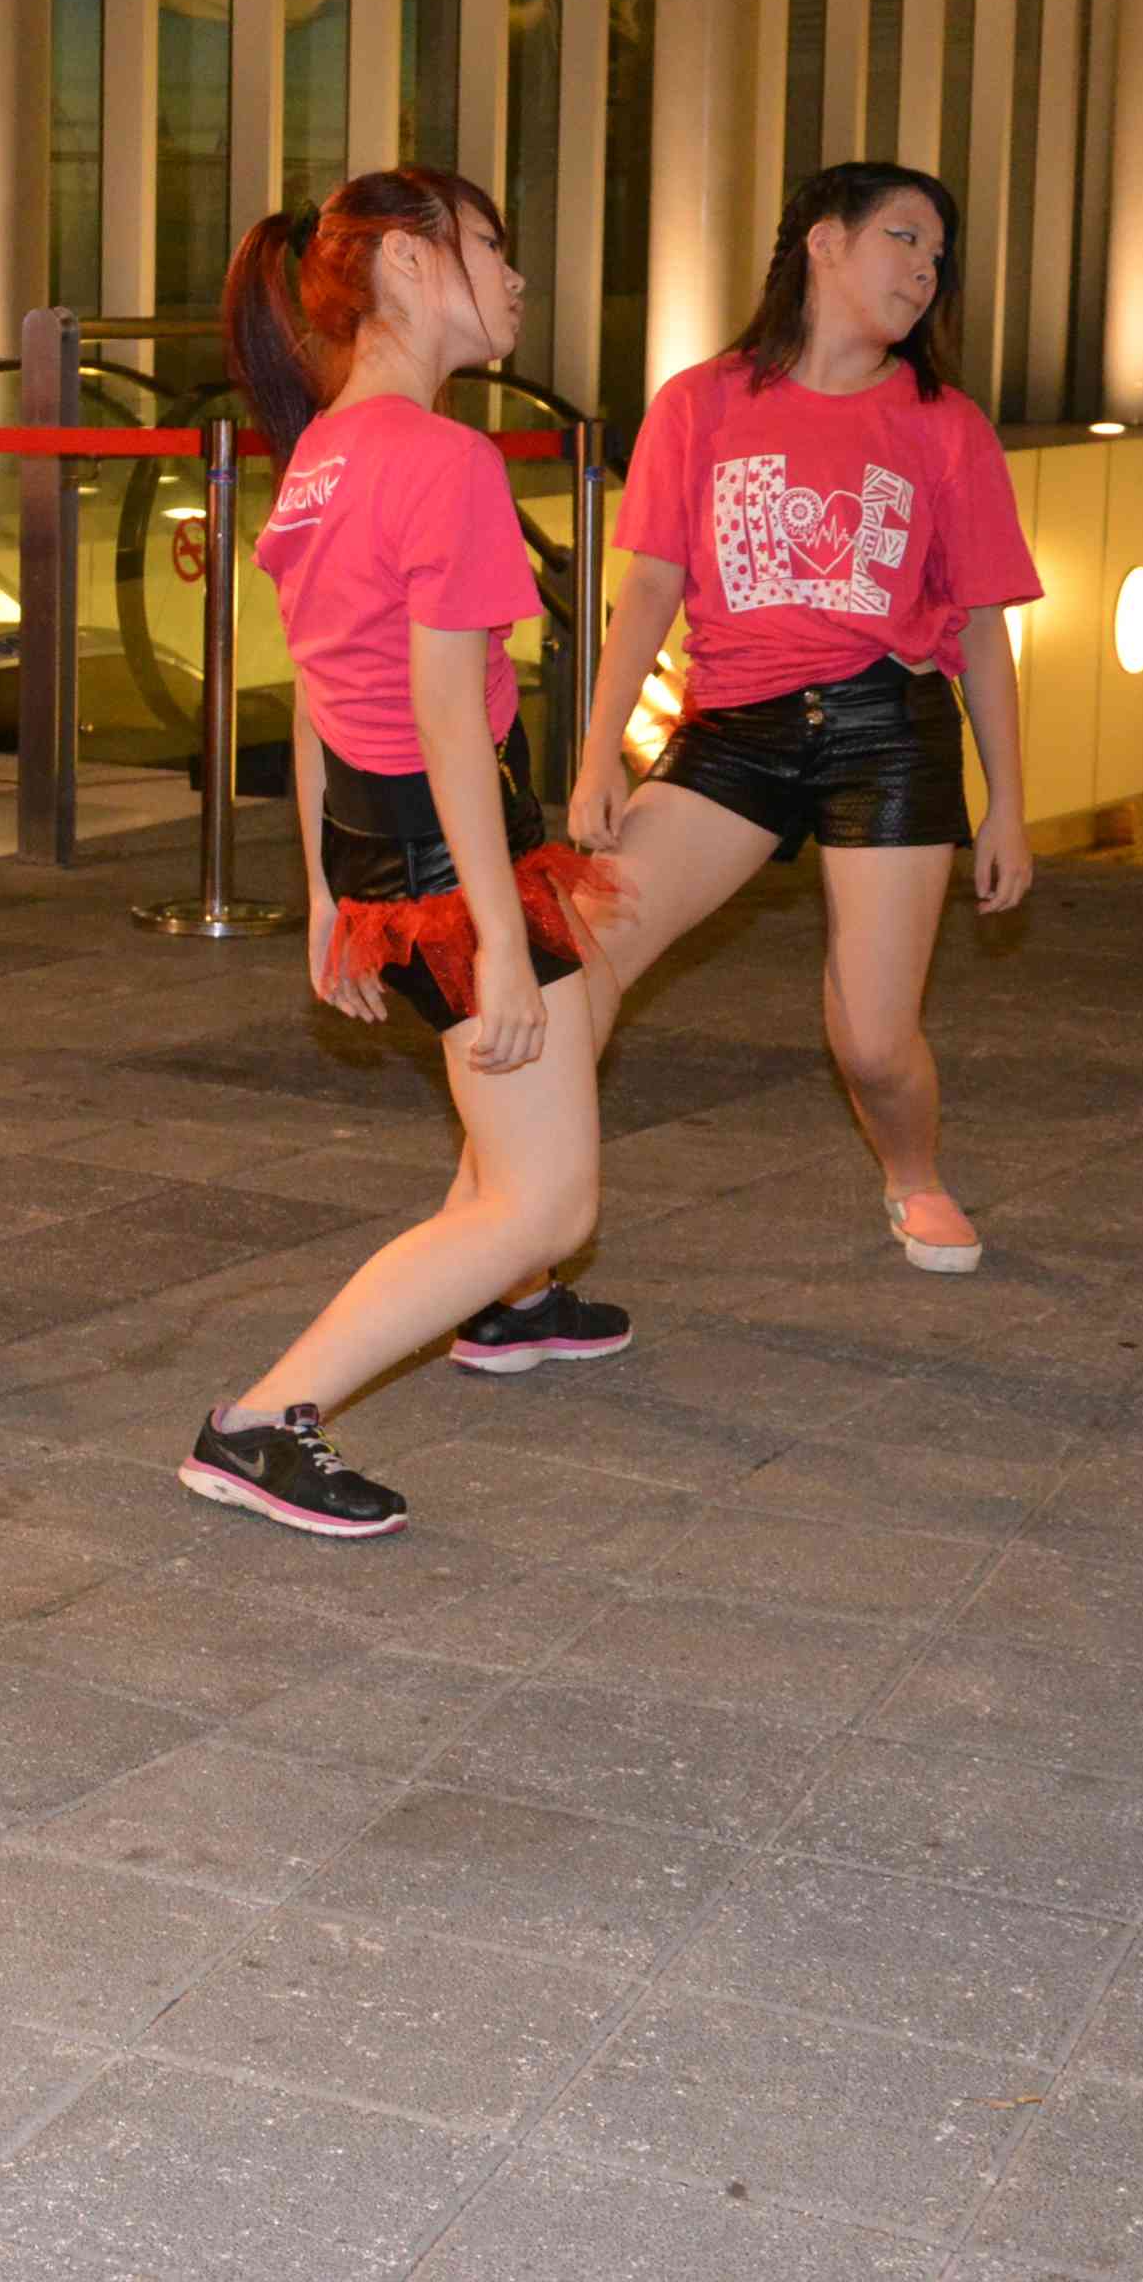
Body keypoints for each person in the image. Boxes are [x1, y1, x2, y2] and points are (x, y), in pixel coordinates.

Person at [180, 173, 621, 1542]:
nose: (517, 276)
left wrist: (330, 896)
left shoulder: (321, 456)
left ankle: (496, 1306)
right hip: (451, 857)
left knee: (540, 1118)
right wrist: (497, 942)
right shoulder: (442, 460)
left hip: (388, 855)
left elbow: (317, 697)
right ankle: (262, 1422)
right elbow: (442, 718)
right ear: (411, 264)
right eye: (492, 245)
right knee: (547, 1203)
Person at [563, 161, 1040, 1277]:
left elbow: (981, 630)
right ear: (823, 242)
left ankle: (913, 1176)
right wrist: (596, 754)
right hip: (734, 728)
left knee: (872, 1043)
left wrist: (1009, 805)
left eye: (938, 257)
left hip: (885, 730)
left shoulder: (945, 426)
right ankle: (527, 1207)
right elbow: (649, 588)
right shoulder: (701, 401)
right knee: (573, 957)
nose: (925, 272)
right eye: (904, 240)